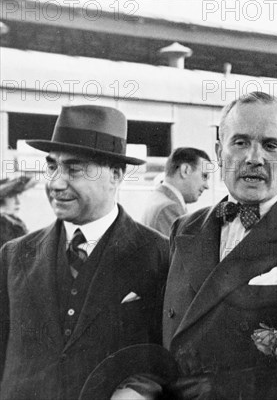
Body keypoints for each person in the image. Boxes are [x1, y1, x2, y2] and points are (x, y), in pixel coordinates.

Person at [163, 92, 277, 400]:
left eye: (270, 145)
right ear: (219, 152)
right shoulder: (184, 228)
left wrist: (225, 389)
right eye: (240, 142)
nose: (253, 158)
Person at [0, 105, 169, 400]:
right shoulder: (13, 256)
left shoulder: (159, 255)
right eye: (52, 166)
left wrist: (139, 390)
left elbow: (164, 357)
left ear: (115, 175)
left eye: (74, 169)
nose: (55, 182)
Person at [141, 147, 211, 236]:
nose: (207, 186)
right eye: (204, 176)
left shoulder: (157, 197)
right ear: (185, 170)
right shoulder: (169, 208)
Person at [0, 175, 35, 248]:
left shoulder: (12, 220)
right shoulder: (2, 224)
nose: (17, 202)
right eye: (12, 197)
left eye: (17, 196)